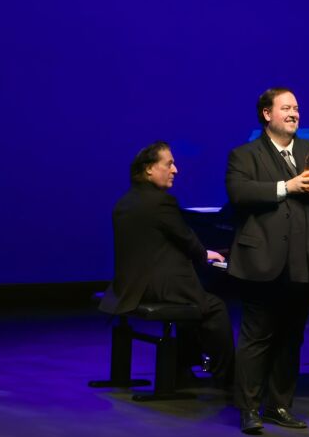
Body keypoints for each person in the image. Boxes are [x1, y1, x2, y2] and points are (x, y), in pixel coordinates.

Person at [225, 87, 309, 434]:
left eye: (296, 108)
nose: (295, 114)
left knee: (291, 337)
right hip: (264, 261)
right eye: (286, 108)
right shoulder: (245, 154)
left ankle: (280, 405)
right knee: (257, 337)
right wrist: (288, 186)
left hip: (305, 263)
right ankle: (249, 408)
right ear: (267, 114)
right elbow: (240, 193)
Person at [100, 141, 234, 390]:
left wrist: (200, 254)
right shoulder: (161, 202)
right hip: (155, 286)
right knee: (214, 308)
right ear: (150, 169)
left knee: (195, 302)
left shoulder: (127, 200)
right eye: (169, 164)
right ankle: (227, 376)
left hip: (128, 285)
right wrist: (205, 254)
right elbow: (186, 239)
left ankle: (183, 369)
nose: (176, 170)